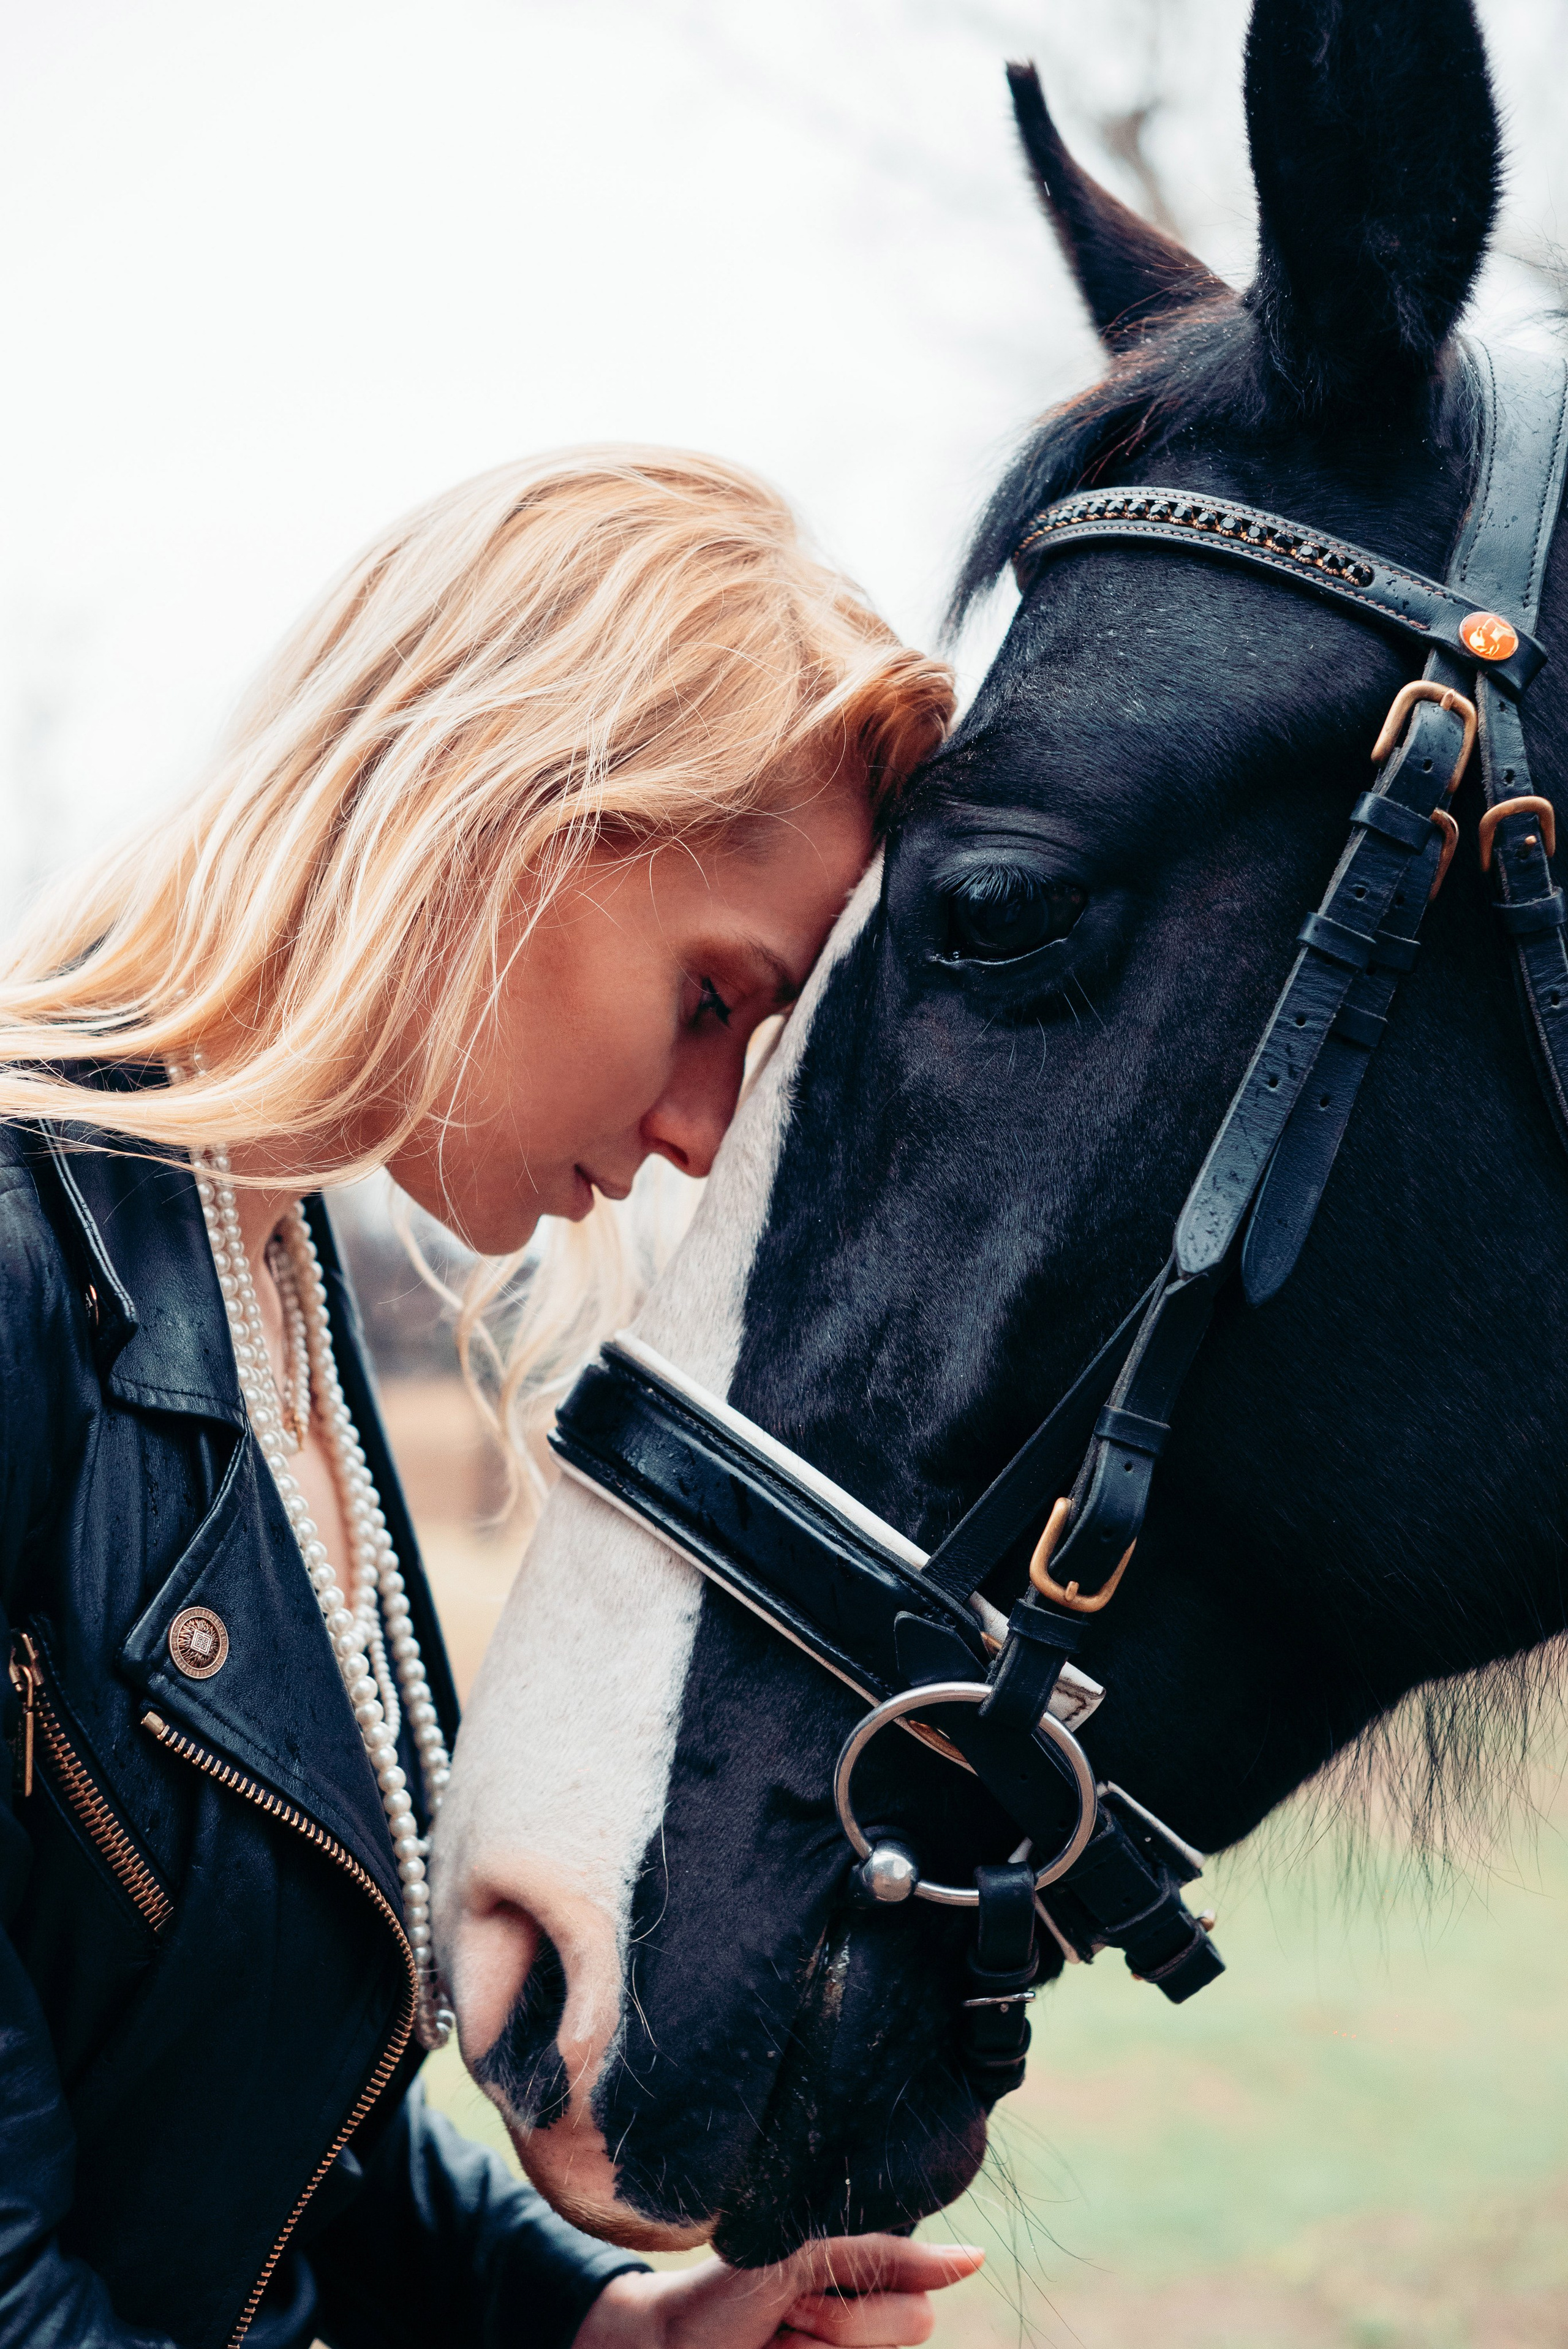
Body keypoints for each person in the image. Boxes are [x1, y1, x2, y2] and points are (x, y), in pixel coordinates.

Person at [0, 450, 976, 2349]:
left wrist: (614, 2323)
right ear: (507, 813)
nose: (702, 1134)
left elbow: (266, 2108)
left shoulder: (263, 1290)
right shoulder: (30, 1278)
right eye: (712, 997)